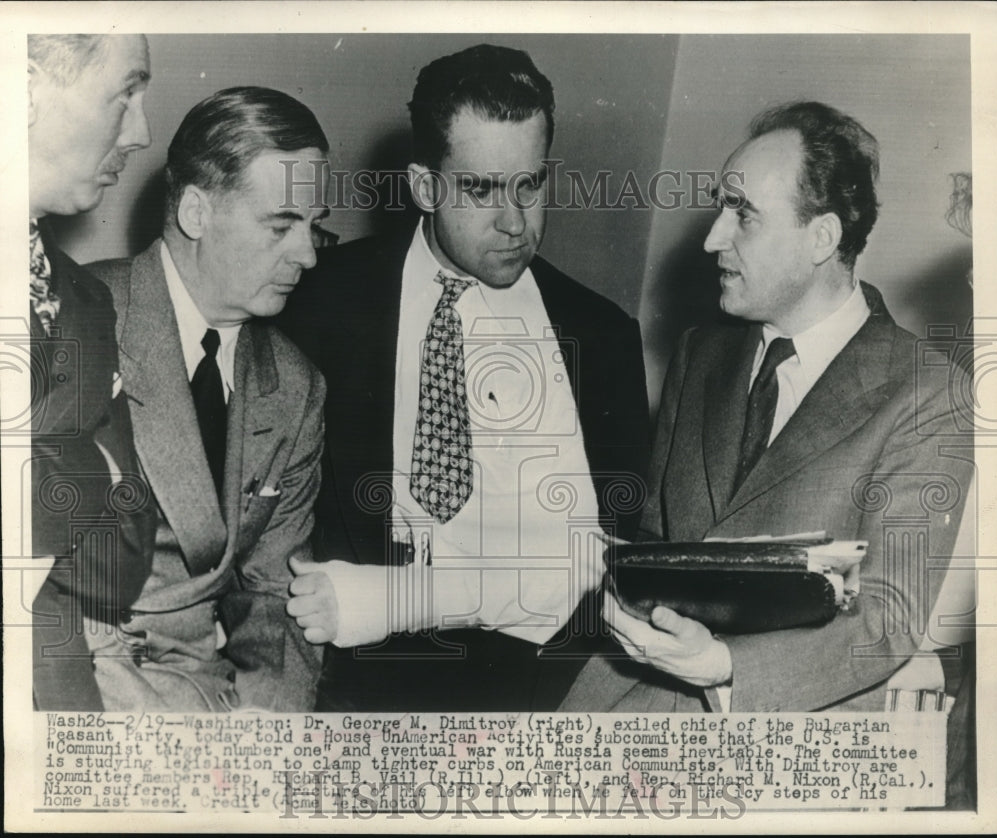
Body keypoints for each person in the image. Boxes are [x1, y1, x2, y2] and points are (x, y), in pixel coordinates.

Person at [562, 101, 974, 714]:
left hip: (790, 727)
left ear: (821, 238)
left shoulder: (929, 393)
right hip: (622, 699)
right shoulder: (701, 353)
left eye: (744, 215)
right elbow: (655, 537)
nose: (712, 239)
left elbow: (888, 618)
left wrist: (722, 665)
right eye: (720, 208)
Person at [277, 44, 650, 711]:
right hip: (356, 683)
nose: (515, 223)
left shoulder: (603, 336)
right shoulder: (317, 302)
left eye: (530, 185)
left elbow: (612, 556)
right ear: (425, 187)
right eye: (480, 189)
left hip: (541, 693)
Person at [82, 86, 329, 711]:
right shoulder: (75, 325)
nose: (307, 255)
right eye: (281, 225)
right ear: (196, 212)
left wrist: (262, 729)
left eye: (313, 227)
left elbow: (273, 600)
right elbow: (43, 597)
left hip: (218, 705)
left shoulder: (295, 385)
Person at [28, 34, 156, 710]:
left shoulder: (84, 299)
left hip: (60, 704)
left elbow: (120, 563)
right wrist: (88, 467)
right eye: (126, 92)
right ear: (24, 90)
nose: (141, 132)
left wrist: (36, 457)